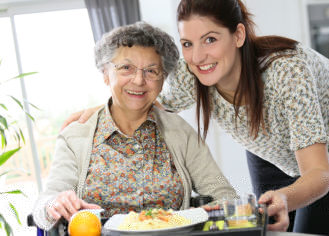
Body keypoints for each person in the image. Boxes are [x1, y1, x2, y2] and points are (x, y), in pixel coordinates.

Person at [62, 0, 329, 235]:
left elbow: (318, 173)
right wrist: (100, 112)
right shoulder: (190, 72)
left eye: (210, 39)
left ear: (238, 35)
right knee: (262, 228)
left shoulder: (287, 72)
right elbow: (151, 102)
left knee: (306, 232)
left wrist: (286, 198)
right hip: (267, 144)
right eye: (187, 44)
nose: (198, 57)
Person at [32, 21, 237, 231]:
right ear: (105, 73)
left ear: (163, 78)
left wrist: (202, 218)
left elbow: (224, 195)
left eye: (151, 71)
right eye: (126, 68)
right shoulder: (76, 137)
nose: (139, 80)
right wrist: (53, 204)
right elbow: (43, 207)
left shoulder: (180, 132)